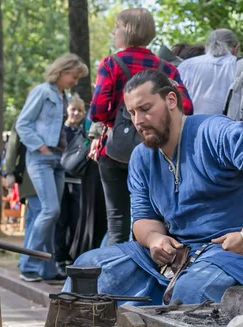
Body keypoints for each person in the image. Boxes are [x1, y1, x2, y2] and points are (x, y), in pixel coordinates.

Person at [63, 69, 243, 307]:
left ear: (171, 100)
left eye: (145, 108)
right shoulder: (142, 157)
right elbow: (143, 219)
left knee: (190, 290)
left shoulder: (212, 130)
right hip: (180, 254)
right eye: (131, 113)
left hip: (241, 253)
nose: (138, 121)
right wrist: (154, 239)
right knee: (87, 270)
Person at [89, 7, 193, 246]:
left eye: (116, 27)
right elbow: (185, 106)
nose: (114, 32)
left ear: (126, 31)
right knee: (150, 220)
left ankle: (112, 279)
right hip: (154, 150)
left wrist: (117, 119)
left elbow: (97, 110)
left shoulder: (111, 64)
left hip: (115, 151)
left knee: (117, 223)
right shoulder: (167, 68)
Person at [15, 54, 89, 281]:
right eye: (74, 76)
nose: (75, 82)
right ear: (62, 71)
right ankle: (27, 264)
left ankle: (46, 268)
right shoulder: (42, 92)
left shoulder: (62, 96)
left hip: (58, 160)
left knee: (53, 215)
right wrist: (41, 147)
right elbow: (22, 124)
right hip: (41, 159)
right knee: (50, 210)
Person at [177, 29, 243, 115]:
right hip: (237, 131)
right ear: (235, 48)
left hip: (193, 130)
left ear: (207, 46)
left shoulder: (186, 67)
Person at [54, 94, 87, 271]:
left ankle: (71, 256)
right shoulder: (60, 130)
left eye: (79, 110)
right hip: (61, 178)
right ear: (67, 110)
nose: (76, 113)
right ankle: (58, 257)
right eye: (73, 109)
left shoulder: (83, 133)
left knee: (76, 220)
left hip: (78, 180)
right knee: (61, 220)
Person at [69, 121, 108, 260]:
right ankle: (91, 260)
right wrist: (96, 137)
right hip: (97, 160)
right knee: (96, 215)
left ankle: (89, 259)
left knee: (99, 216)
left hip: (99, 157)